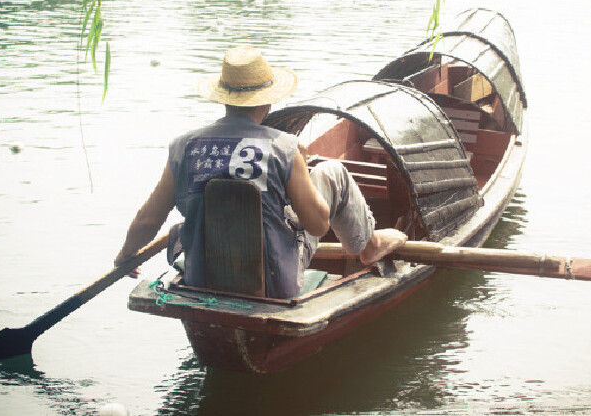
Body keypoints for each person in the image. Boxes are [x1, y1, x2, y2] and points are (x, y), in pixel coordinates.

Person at [114, 46, 407, 299]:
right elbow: (317, 226)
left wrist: (126, 254)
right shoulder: (284, 148)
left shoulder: (182, 147)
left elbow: (148, 219)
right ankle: (369, 244)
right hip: (275, 282)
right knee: (333, 172)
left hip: (200, 277)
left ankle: (366, 240)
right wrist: (298, 171)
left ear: (224, 99)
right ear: (268, 101)